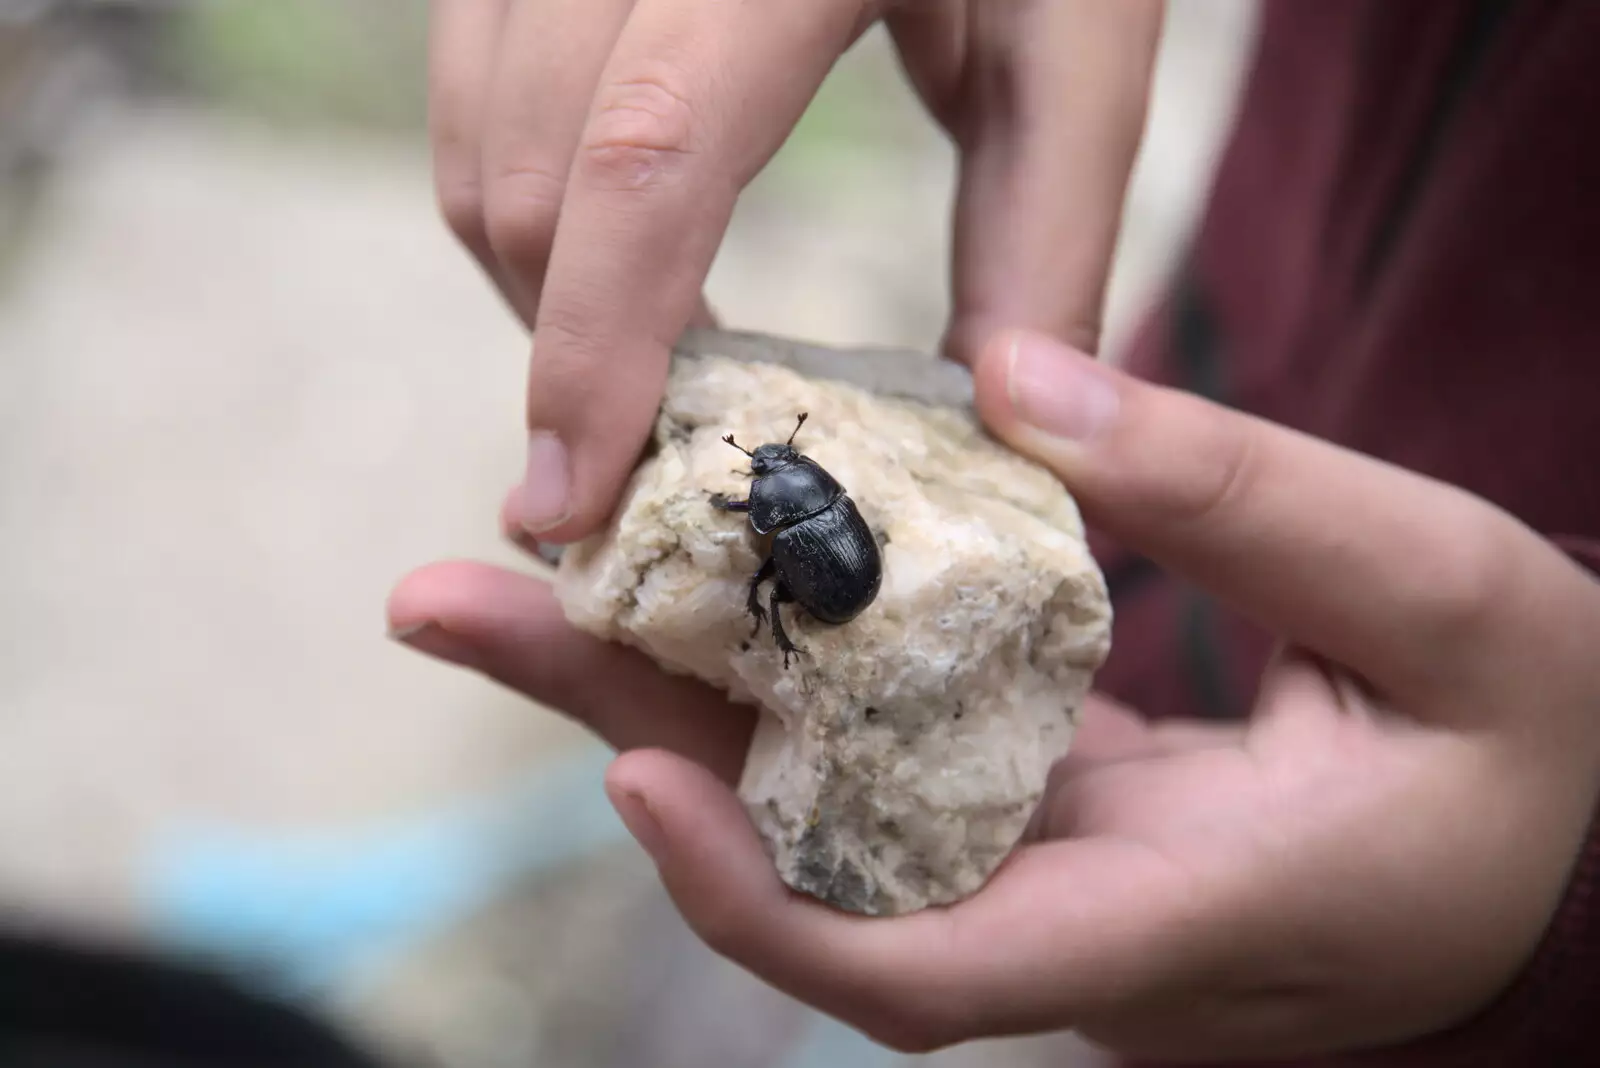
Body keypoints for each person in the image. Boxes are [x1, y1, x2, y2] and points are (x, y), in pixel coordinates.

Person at [387, 2, 1600, 1064]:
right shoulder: (798, 503)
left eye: (776, 469)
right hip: (1238, 379)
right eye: (775, 472)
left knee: (783, 608)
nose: (771, 477)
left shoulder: (781, 516)